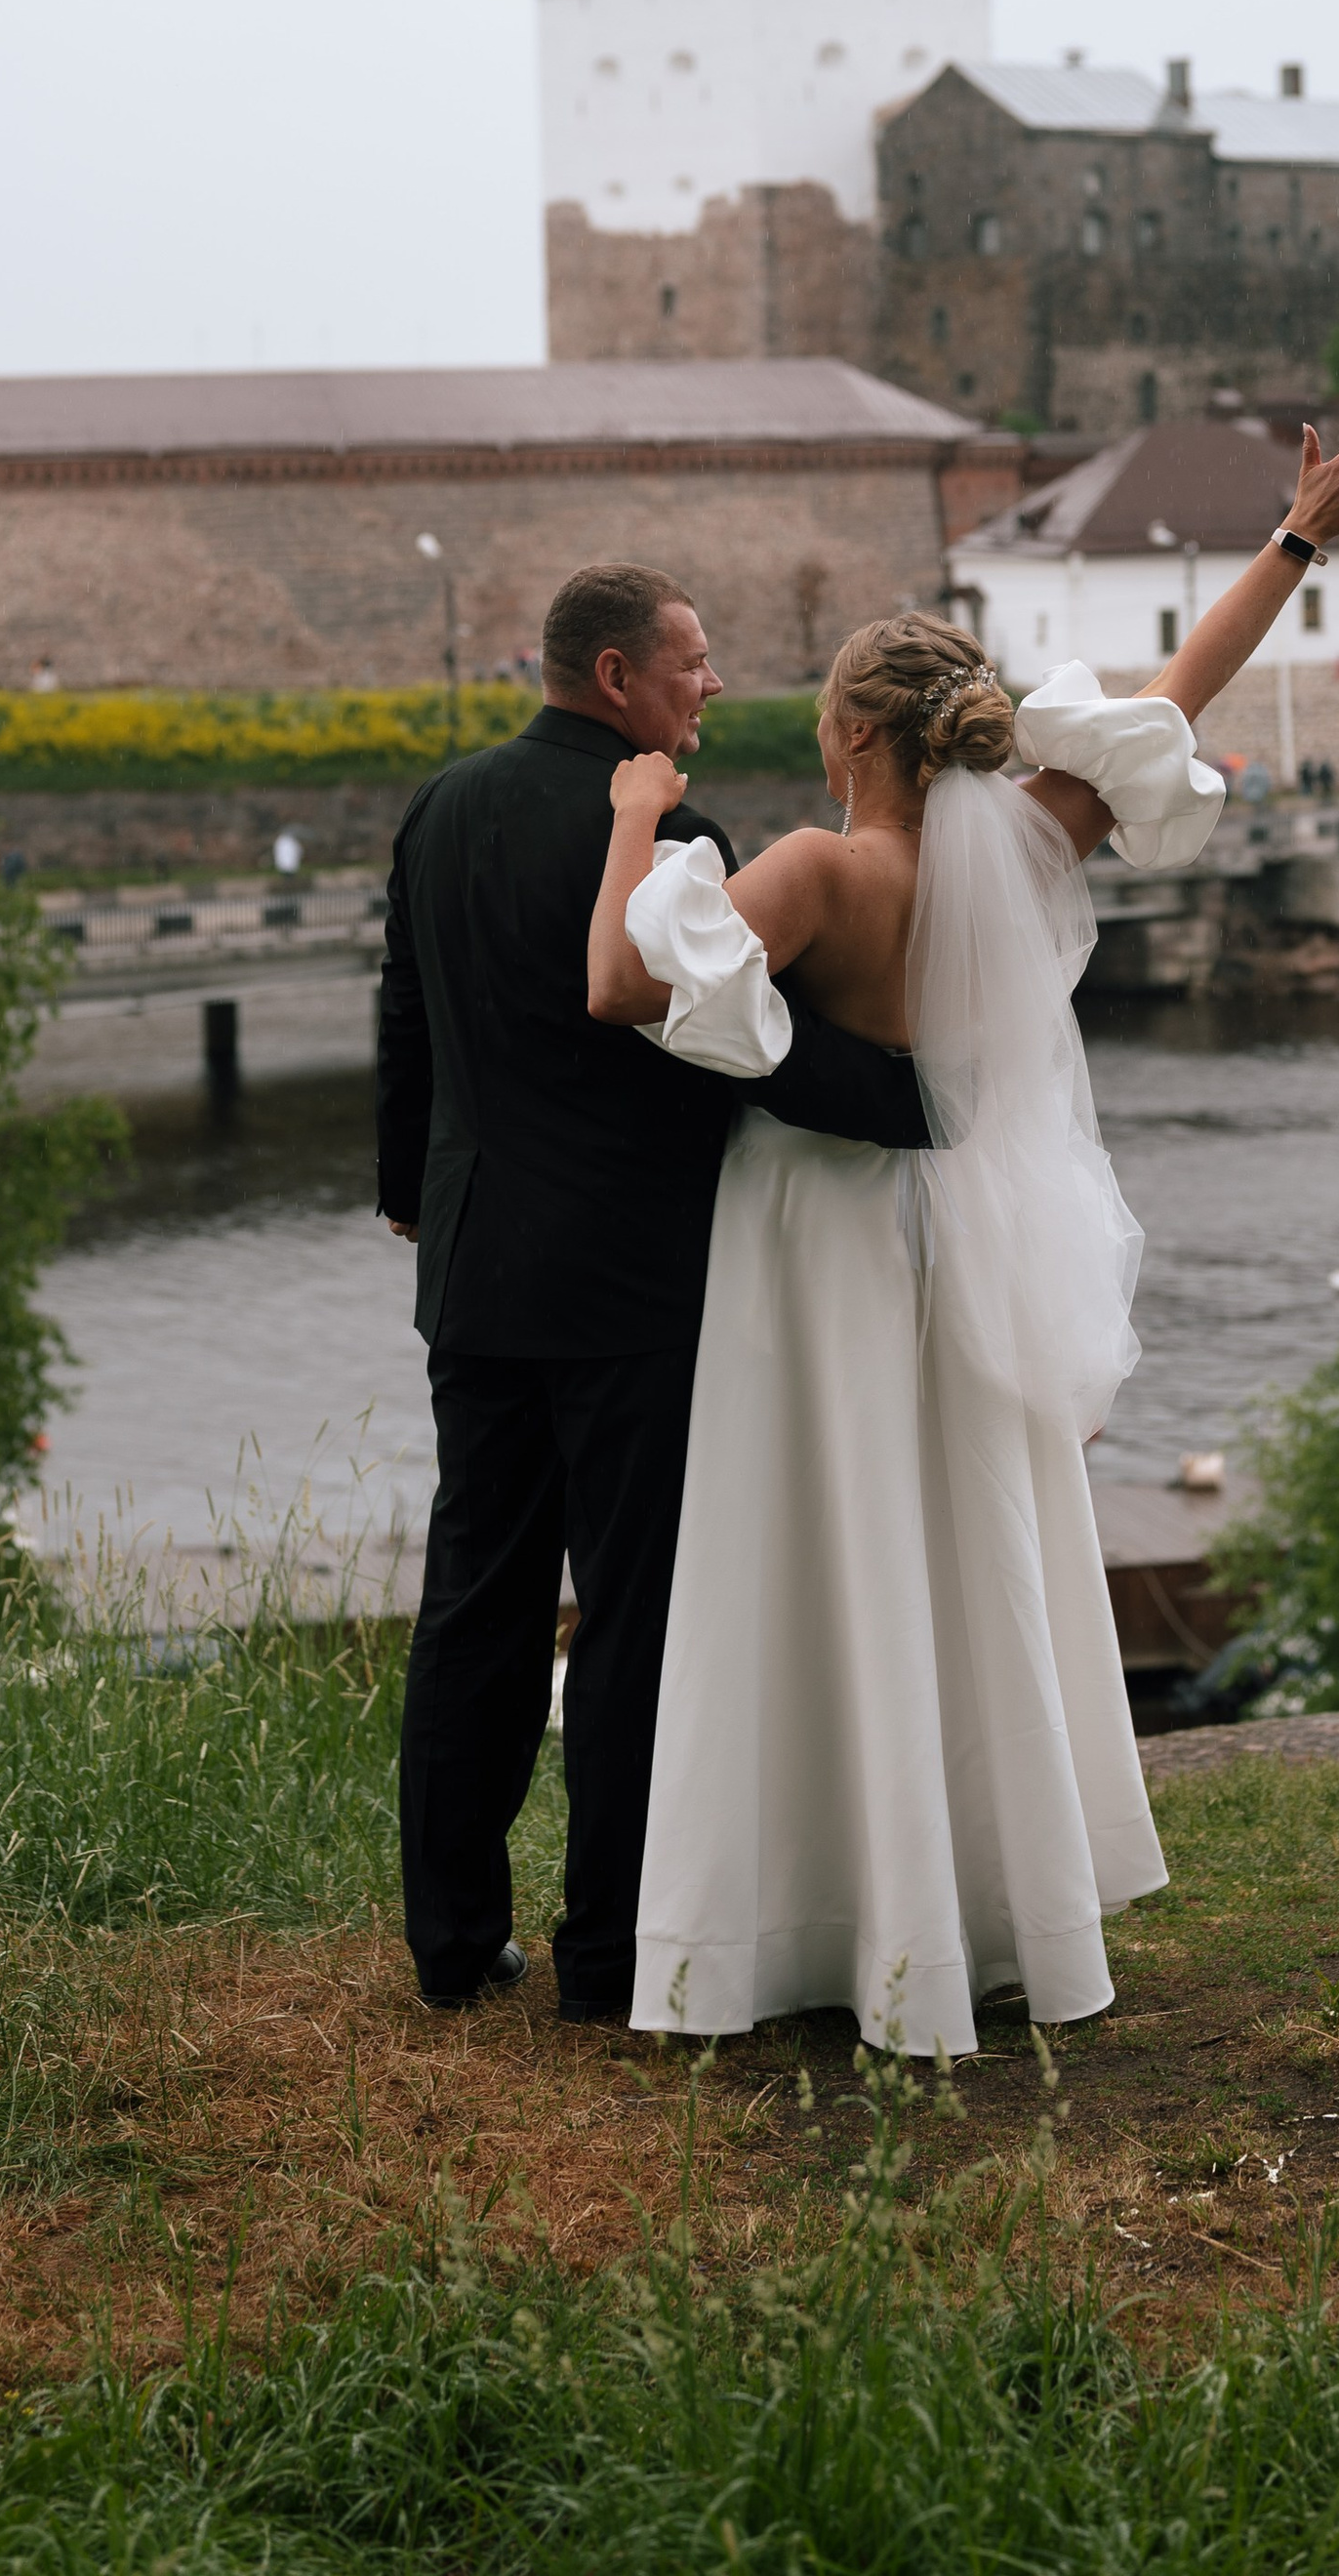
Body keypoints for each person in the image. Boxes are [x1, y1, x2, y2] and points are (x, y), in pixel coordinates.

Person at [587, 416, 1339, 2055]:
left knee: (821, 1547)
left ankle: (817, 1920)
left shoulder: (816, 871)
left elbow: (623, 982)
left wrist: (636, 813)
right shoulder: (1027, 848)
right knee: (971, 1555)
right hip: (961, 1232)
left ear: (855, 732)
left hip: (817, 1250)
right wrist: (1296, 542)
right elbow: (1179, 698)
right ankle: (994, 1909)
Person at [376, 563, 930, 2023]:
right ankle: (607, 1954)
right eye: (691, 661)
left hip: (476, 1269)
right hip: (632, 1283)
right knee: (633, 1612)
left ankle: (451, 1942)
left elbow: (406, 1010)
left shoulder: (440, 808)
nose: (713, 684)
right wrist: (910, 1100)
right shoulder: (673, 839)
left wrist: (408, 1188)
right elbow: (735, 1045)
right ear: (616, 676)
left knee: (474, 1600)